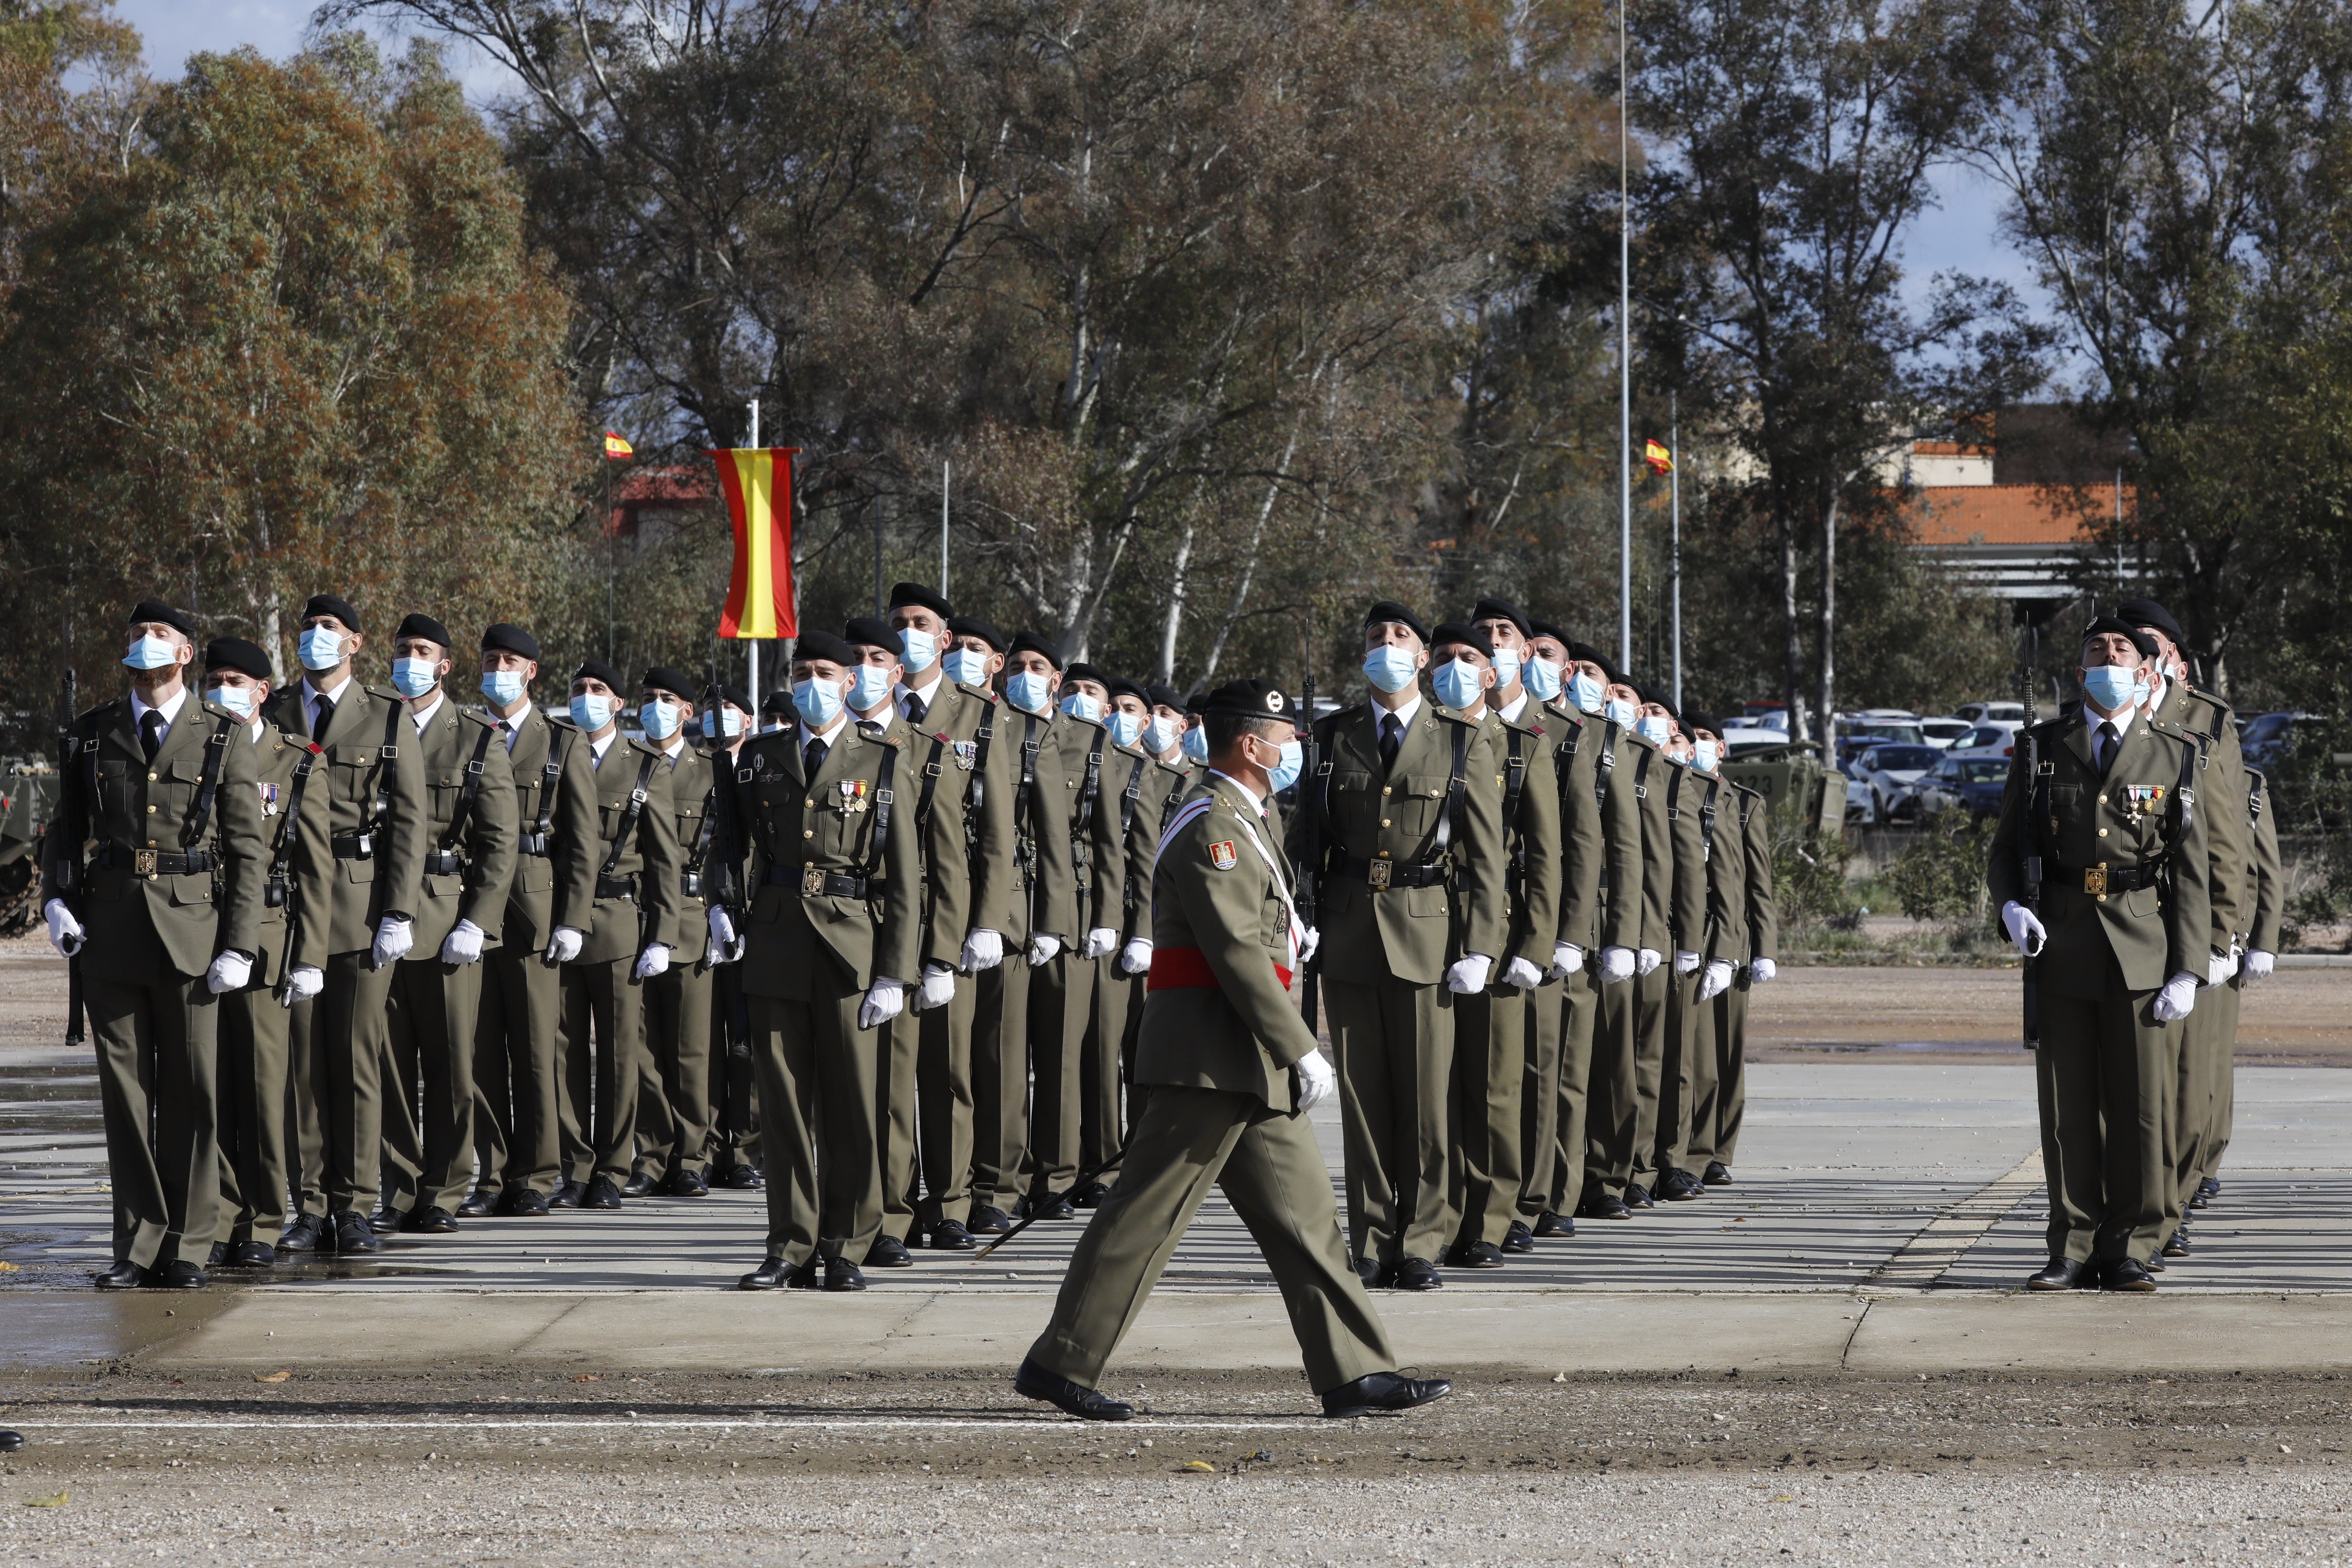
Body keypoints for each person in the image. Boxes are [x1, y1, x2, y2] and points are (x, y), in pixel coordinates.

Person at [1015, 678, 1453, 1423]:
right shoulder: (1210, 824)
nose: (1294, 756)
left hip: (1247, 1056)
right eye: (1286, 744)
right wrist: (1302, 1047)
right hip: (1210, 1058)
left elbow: (1258, 938)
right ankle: (1061, 1361)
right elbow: (1233, 954)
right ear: (1250, 746)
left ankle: (1353, 1373)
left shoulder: (1248, 820)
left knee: (1307, 1223)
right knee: (1144, 1218)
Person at [42, 602, 266, 1288]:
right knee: (126, 1096)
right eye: (136, 635)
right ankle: (137, 1244)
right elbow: (64, 827)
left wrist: (239, 943)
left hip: (194, 931)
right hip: (111, 931)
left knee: (193, 1092)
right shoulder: (90, 735)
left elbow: (247, 851)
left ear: (188, 655)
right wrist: (56, 898)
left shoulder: (223, 736)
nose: (145, 644)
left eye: (160, 635)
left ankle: (191, 1244)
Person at [1987, 616, 2212, 1291]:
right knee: (2068, 1107)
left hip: (2143, 944)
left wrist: (2190, 966)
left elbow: (2193, 871)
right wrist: (2010, 907)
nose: (2107, 658)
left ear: (2147, 672)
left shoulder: (2174, 751)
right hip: (2061, 940)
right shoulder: (2041, 747)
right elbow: (2005, 850)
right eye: (2095, 649)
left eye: (2121, 650)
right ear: (2079, 668)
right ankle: (2074, 1244)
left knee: (2143, 1107)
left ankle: (2133, 1246)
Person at [1292, 602, 1504, 1290]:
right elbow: (1304, 845)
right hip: (1350, 932)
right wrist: (1301, 918)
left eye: (1401, 638)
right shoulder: (1331, 738)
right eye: (1375, 638)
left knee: (1425, 1104)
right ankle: (1373, 1238)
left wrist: (1479, 944)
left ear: (1423, 657)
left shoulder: (1459, 740)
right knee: (1362, 1102)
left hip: (1428, 933)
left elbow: (1483, 857)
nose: (1387, 645)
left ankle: (1422, 1241)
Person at [731, 631, 921, 1291]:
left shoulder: (884, 758)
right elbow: (730, 848)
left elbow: (905, 876)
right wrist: (727, 911)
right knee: (782, 1103)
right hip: (778, 940)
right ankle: (788, 1243)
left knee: (852, 1106)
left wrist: (896, 971)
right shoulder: (759, 757)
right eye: (802, 672)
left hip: (851, 945)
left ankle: (846, 1244)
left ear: (849, 682)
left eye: (826, 672)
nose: (814, 683)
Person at [264, 594, 428, 1258]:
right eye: (306, 628)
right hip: (292, 907)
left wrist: (399, 908)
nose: (314, 638)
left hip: (358, 903)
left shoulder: (386, 715)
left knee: (357, 1059)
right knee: (300, 1064)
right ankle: (306, 1203)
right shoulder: (275, 709)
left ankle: (356, 1202)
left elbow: (410, 822)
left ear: (355, 644)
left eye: (328, 628)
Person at [377, 614, 518, 1234]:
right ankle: (400, 1186)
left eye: (423, 651)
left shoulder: (476, 737)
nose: (411, 659)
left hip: (444, 915)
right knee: (386, 1066)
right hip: (375, 910)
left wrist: (478, 922)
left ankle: (445, 1188)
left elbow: (499, 842)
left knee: (451, 1064)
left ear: (445, 665)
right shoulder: (372, 723)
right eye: (403, 649)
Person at [882, 585, 1014, 1250]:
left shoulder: (981, 718)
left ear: (943, 639)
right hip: (882, 913)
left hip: (950, 912)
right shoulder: (873, 710)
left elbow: (996, 834)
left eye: (921, 624)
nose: (908, 633)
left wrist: (987, 920)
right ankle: (895, 1206)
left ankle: (953, 1199)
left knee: (948, 1067)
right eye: (899, 623)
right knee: (890, 1069)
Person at [2115, 598, 2247, 1257]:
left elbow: (2225, 836)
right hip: (2122, 930)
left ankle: (2172, 1202)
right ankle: (2144, 1216)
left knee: (2189, 1091)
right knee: (2135, 1092)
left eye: (2148, 643)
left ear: (2172, 656)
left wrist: (2226, 934)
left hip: (2188, 927)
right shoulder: (2099, 721)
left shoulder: (2206, 722)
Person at [1428, 619, 1556, 1269]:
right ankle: (1441, 1218)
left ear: (1491, 669)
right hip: (1423, 927)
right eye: (1444, 656)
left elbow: (1547, 853)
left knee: (1496, 1085)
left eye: (1469, 656)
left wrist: (1534, 944)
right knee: (1438, 1088)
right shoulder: (1418, 740)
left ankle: (1494, 1218)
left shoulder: (1522, 744)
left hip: (1499, 933)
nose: (1455, 666)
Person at [470, 623, 597, 1217]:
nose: (499, 668)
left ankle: (537, 1176)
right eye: (491, 659)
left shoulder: (562, 741)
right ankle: (491, 1174)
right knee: (480, 1051)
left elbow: (582, 841)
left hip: (533, 908)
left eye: (511, 661)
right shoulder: (466, 733)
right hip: (471, 906)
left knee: (534, 1048)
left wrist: (572, 918)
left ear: (531, 672)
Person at [548, 660, 681, 1211]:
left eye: (598, 690)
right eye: (578, 689)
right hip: (557, 917)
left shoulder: (643, 765)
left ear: (619, 703)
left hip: (619, 919)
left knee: (621, 1055)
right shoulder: (554, 753)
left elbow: (664, 858)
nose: (586, 698)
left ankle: (613, 1167)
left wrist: (663, 935)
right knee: (563, 1052)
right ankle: (574, 1166)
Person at [1518, 635, 1636, 1239]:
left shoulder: (1596, 739)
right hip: (1511, 926)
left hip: (1578, 929)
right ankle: (1523, 1195)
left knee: (1570, 1074)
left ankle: (1570, 1190)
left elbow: (1618, 846)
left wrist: (1617, 932)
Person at [967, 630, 1077, 1232]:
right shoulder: (989, 724)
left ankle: (1013, 1184)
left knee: (1032, 1057)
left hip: (1027, 912)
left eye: (1041, 667)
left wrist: (1056, 921)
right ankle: (988, 1182)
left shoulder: (1049, 735)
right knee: (989, 1059)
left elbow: (1061, 839)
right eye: (1021, 665)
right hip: (977, 908)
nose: (1026, 675)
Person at [199, 636, 303, 1268]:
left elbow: (313, 868)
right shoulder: (198, 743)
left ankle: (264, 1219)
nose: (223, 690)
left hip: (266, 934)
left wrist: (309, 953)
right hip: (199, 928)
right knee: (208, 1087)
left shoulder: (294, 758)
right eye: (215, 678)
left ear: (264, 690)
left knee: (264, 1088)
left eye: (236, 679)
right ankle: (217, 1214)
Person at [626, 666, 739, 1199]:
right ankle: (652, 1154)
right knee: (642, 1047)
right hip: (636, 915)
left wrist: (723, 912)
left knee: (693, 1048)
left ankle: (693, 1155)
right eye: (649, 698)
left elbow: (728, 851)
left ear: (688, 712)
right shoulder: (627, 766)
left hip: (693, 916)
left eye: (667, 699)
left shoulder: (710, 771)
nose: (656, 707)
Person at [1025, 659, 1126, 1219]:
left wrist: (1106, 916)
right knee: (1005, 1056)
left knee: (1067, 1053)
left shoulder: (1089, 742)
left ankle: (1060, 1175)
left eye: (1092, 690)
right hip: (1011, 910)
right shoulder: (1003, 729)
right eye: (1074, 689)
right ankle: (1009, 1173)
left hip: (1073, 911)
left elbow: (1110, 840)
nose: (1079, 698)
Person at [1583, 678, 1673, 1218]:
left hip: (1616, 922)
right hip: (1557, 921)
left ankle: (1622, 1172)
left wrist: (1645, 934)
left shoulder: (1633, 754)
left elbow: (1650, 855)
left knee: (1625, 1061)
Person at [1101, 677, 1193, 1167]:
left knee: (1158, 1049)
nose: (1142, 721)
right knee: (1115, 1046)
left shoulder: (1197, 780)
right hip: (1120, 925)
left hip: (1172, 932)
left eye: (1159, 713)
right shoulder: (1120, 771)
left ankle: (1154, 1148)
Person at [700, 682, 765, 1191]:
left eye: (729, 710)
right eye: (712, 710)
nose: (718, 718)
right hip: (701, 916)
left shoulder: (760, 766)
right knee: (706, 1046)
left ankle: (744, 1147)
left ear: (748, 719)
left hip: (754, 916)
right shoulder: (695, 766)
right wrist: (712, 907)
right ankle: (705, 1147)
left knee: (747, 1042)